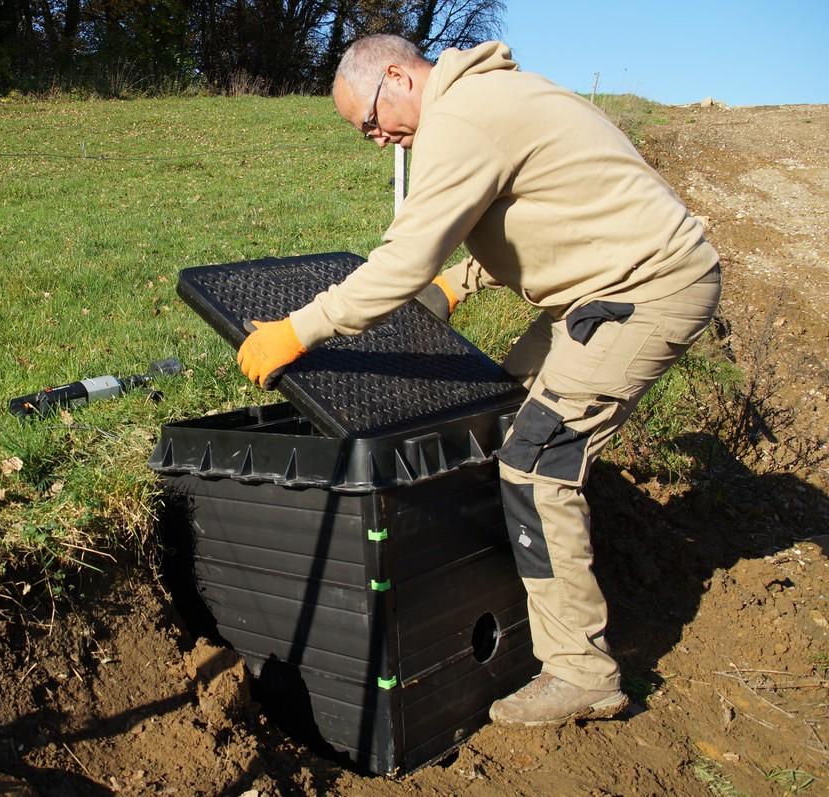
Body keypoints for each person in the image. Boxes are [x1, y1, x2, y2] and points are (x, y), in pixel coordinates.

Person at [236, 34, 721, 727]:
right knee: (500, 404)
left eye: (370, 122)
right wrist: (460, 281)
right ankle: (529, 589)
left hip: (642, 291)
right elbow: (550, 204)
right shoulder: (488, 97)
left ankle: (581, 671)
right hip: (607, 284)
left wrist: (298, 329)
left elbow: (402, 260)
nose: (376, 140)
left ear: (398, 77)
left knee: (536, 460)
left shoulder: (461, 117)